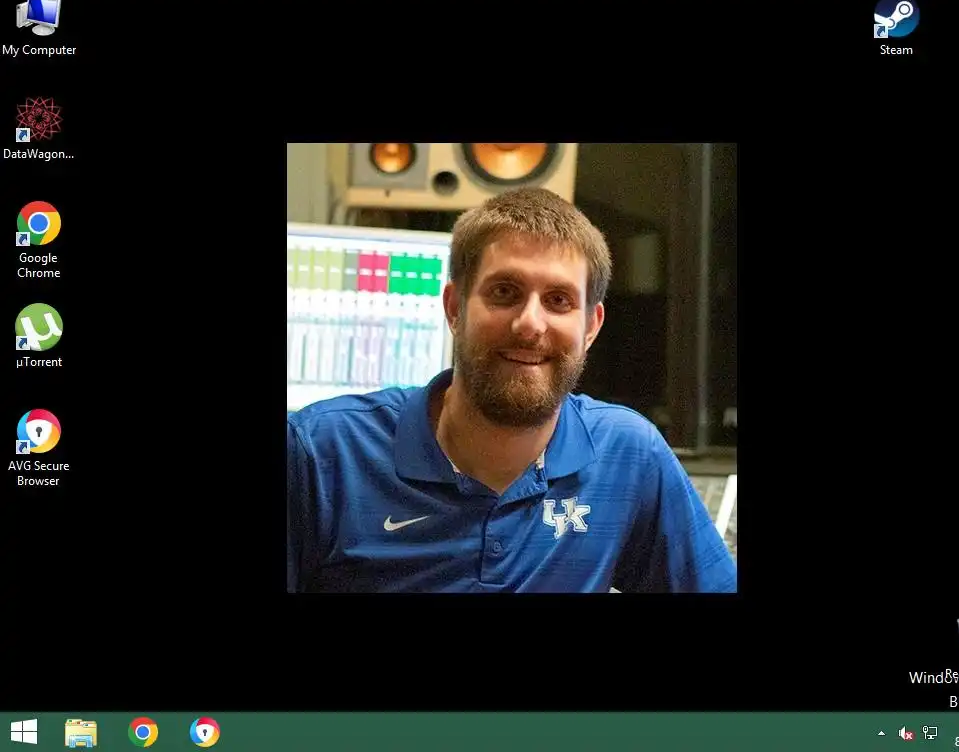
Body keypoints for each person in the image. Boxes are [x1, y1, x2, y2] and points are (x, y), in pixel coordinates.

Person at [287, 186, 737, 593]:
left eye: (558, 300)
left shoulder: (627, 455)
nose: (529, 324)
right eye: (505, 292)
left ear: (590, 327)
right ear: (455, 308)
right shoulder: (320, 454)